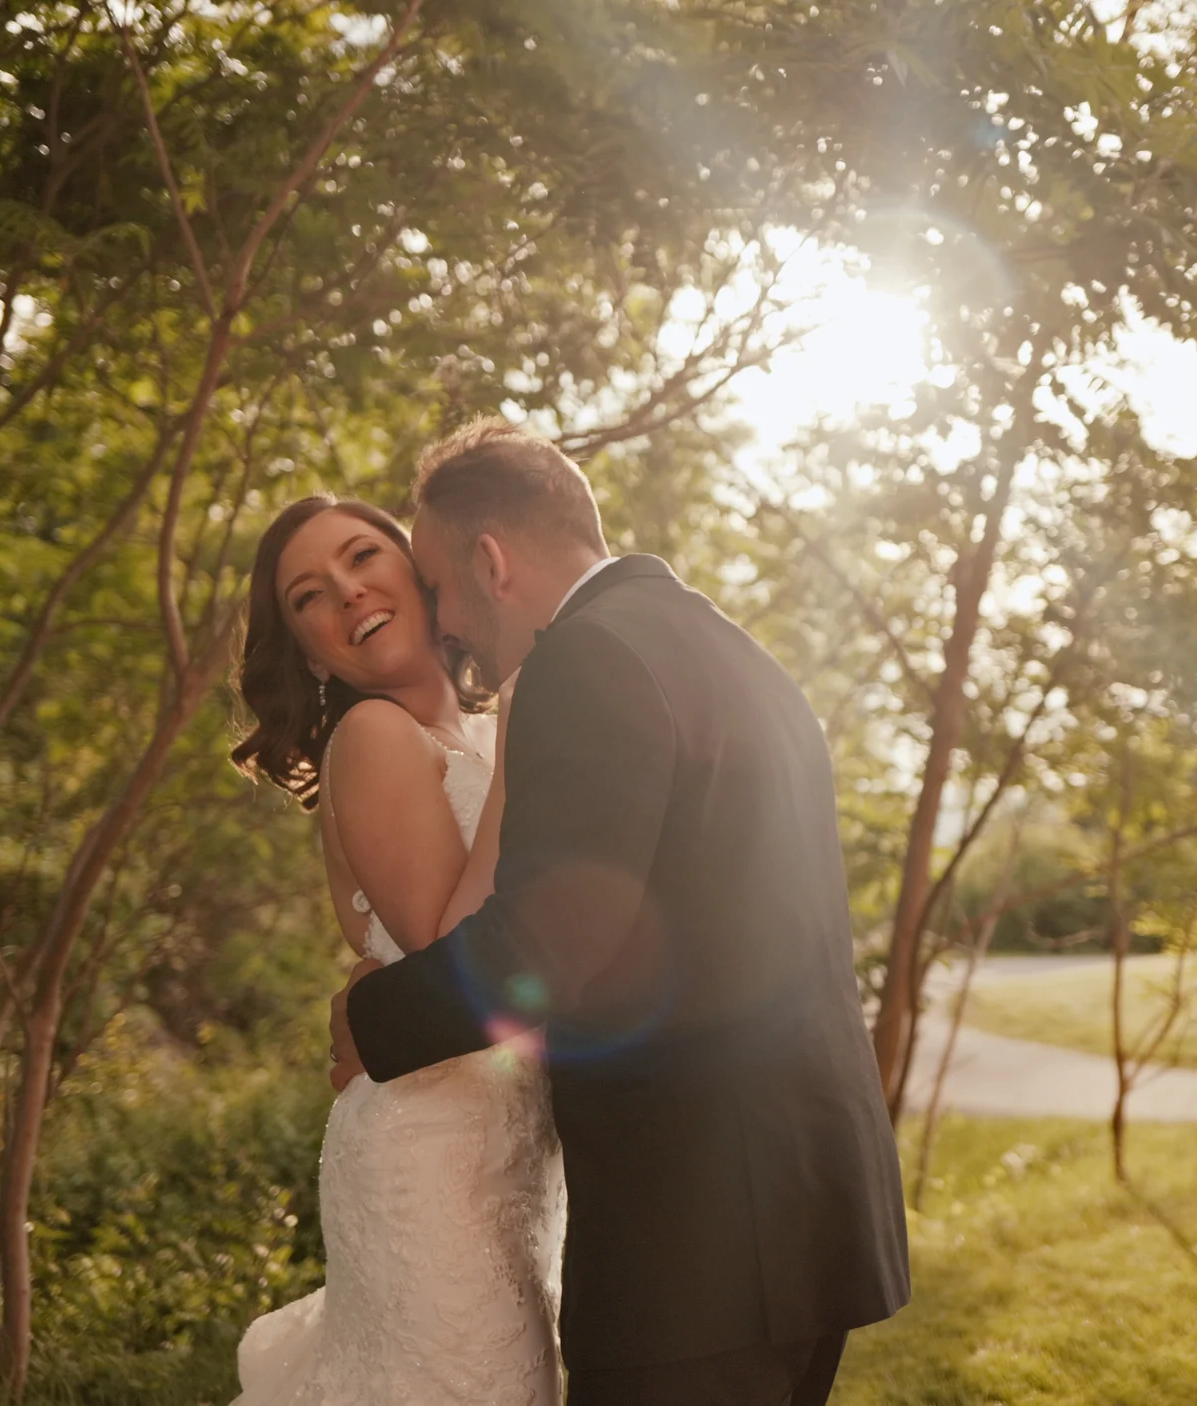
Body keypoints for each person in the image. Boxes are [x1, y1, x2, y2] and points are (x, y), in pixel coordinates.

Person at [330, 420, 910, 1406]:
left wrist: (370, 1017)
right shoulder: (736, 654)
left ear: (491, 559)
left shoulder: (584, 659)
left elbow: (546, 946)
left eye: (436, 585)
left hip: (697, 1248)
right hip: (815, 1216)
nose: (443, 620)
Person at [229, 495, 564, 1405]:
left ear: (419, 575)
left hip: (510, 1151)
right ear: (307, 649)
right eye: (309, 595)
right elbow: (449, 950)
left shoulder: (490, 735)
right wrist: (528, 736)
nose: (347, 592)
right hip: (430, 1155)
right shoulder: (373, 735)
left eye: (363, 556)